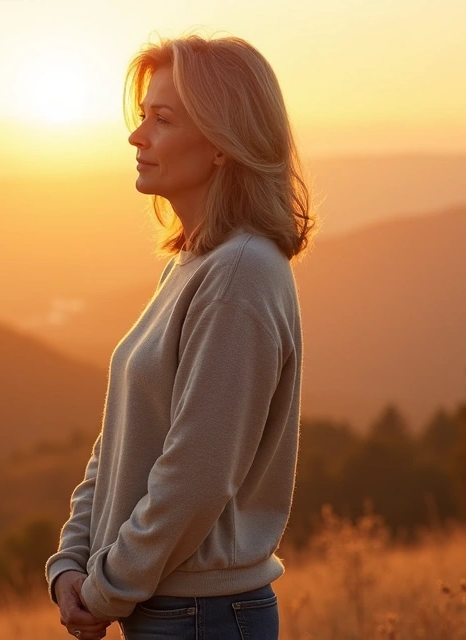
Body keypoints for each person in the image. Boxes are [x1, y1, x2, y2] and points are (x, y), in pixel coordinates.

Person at [45, 34, 316, 640]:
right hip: (167, 607)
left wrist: (106, 587)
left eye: (161, 120)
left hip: (200, 617)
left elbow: (194, 476)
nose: (137, 136)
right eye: (143, 117)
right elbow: (121, 436)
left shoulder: (240, 274)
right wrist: (72, 559)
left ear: (222, 144)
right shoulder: (195, 262)